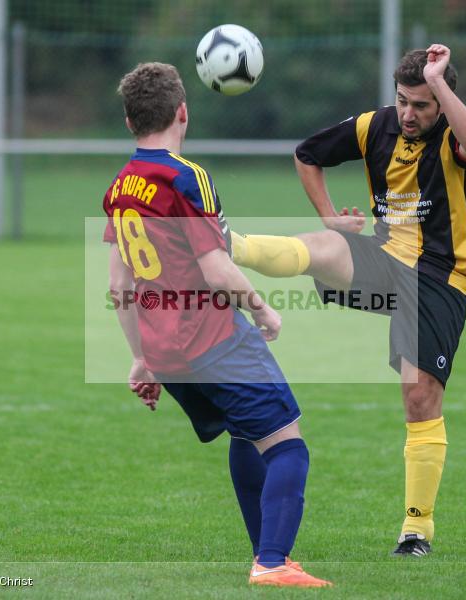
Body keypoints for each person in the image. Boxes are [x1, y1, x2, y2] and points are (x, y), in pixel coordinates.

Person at [230, 45, 466, 556]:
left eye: (421, 104)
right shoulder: (376, 126)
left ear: (441, 101)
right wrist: (329, 215)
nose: (409, 114)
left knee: (419, 397)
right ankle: (227, 244)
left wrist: (440, 84)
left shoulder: (454, 130)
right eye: (403, 101)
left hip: (439, 277)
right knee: (326, 246)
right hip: (386, 260)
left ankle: (416, 529)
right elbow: (307, 154)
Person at [103, 62, 331, 588]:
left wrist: (141, 357)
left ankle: (266, 554)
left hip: (167, 353)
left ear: (129, 121)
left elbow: (119, 285)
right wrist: (261, 307)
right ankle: (272, 563)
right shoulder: (187, 178)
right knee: (288, 444)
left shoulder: (119, 187)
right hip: (214, 340)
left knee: (248, 435)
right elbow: (217, 269)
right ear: (183, 112)